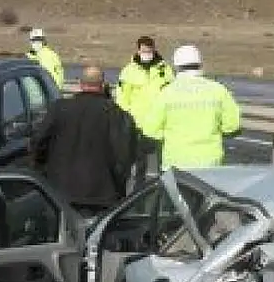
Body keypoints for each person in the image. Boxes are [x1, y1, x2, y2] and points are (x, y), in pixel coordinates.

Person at [31, 65, 138, 218]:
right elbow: (125, 154)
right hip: (103, 193)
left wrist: (45, 173)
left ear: (80, 85)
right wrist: (118, 183)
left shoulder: (59, 109)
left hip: (61, 191)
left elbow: (38, 143)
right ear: (103, 86)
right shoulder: (117, 115)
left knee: (64, 238)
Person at [143, 45, 241, 169]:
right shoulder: (218, 90)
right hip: (210, 162)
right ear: (200, 64)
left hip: (175, 163)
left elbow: (151, 130)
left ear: (176, 66)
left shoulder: (167, 93)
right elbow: (232, 126)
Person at [115, 36, 174, 185]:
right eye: (143, 51)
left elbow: (172, 92)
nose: (146, 53)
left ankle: (164, 191)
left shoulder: (165, 69)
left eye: (149, 51)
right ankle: (138, 193)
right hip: (138, 124)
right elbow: (122, 97)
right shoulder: (129, 71)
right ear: (138, 50)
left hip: (161, 124)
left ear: (154, 50)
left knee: (164, 165)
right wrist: (127, 118)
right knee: (139, 165)